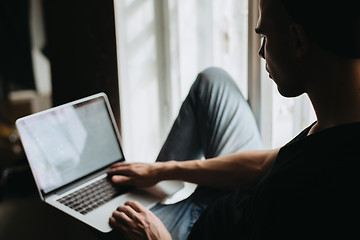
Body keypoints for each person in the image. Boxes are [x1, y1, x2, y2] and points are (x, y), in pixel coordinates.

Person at [106, 0, 360, 239]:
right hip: (237, 205)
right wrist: (163, 170)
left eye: (265, 36)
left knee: (112, 223)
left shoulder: (310, 192)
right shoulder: (338, 116)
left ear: (297, 40)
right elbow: (264, 165)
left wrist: (156, 237)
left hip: (194, 230)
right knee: (212, 81)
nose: (261, 51)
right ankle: (154, 191)